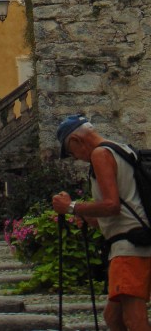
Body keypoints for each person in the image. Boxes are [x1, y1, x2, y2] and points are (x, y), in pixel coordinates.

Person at [52, 115, 151, 331]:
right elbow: (115, 211)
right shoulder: (120, 149)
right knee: (113, 317)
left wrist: (72, 206)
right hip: (131, 241)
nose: (76, 158)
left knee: (134, 319)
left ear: (77, 141)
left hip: (129, 247)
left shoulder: (100, 153)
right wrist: (83, 215)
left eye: (70, 152)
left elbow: (111, 205)